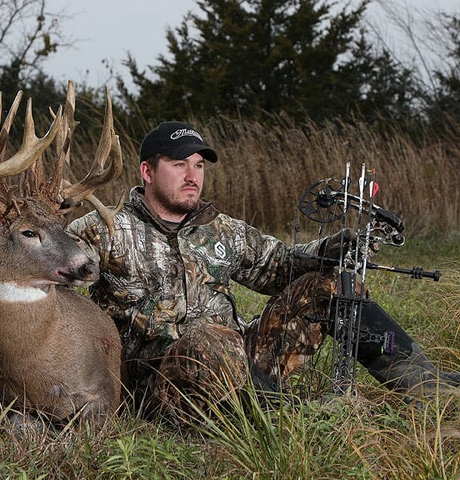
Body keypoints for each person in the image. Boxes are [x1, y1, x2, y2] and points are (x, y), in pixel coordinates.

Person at [67, 121, 459, 417]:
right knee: (210, 339)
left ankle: (428, 388)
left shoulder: (221, 229)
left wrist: (331, 247)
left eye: (199, 165)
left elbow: (280, 266)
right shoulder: (104, 229)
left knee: (332, 286)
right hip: (158, 385)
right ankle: (283, 413)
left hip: (241, 365)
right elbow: (49, 277)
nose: (192, 176)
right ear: (147, 172)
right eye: (178, 164)